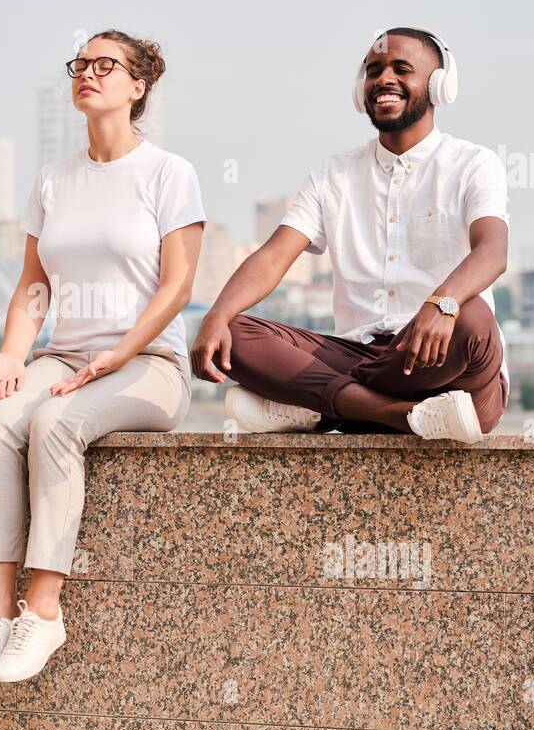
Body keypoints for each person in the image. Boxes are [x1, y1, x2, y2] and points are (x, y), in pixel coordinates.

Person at [0, 30, 205, 683]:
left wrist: (116, 354)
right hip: (66, 356)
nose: (88, 74)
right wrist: (13, 354)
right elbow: (31, 286)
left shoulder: (169, 173)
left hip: (149, 364)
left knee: (54, 423)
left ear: (138, 85)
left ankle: (44, 613)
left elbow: (178, 285)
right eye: (81, 64)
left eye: (107, 66)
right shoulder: (52, 180)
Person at [191, 28, 510, 442]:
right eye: (374, 70)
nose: (383, 80)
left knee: (473, 319)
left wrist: (441, 304)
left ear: (438, 85)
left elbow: (493, 251)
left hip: (448, 365)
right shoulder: (334, 173)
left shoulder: (473, 163)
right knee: (232, 331)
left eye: (401, 69)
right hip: (362, 353)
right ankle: (396, 414)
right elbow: (272, 258)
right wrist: (215, 318)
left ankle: (324, 405)